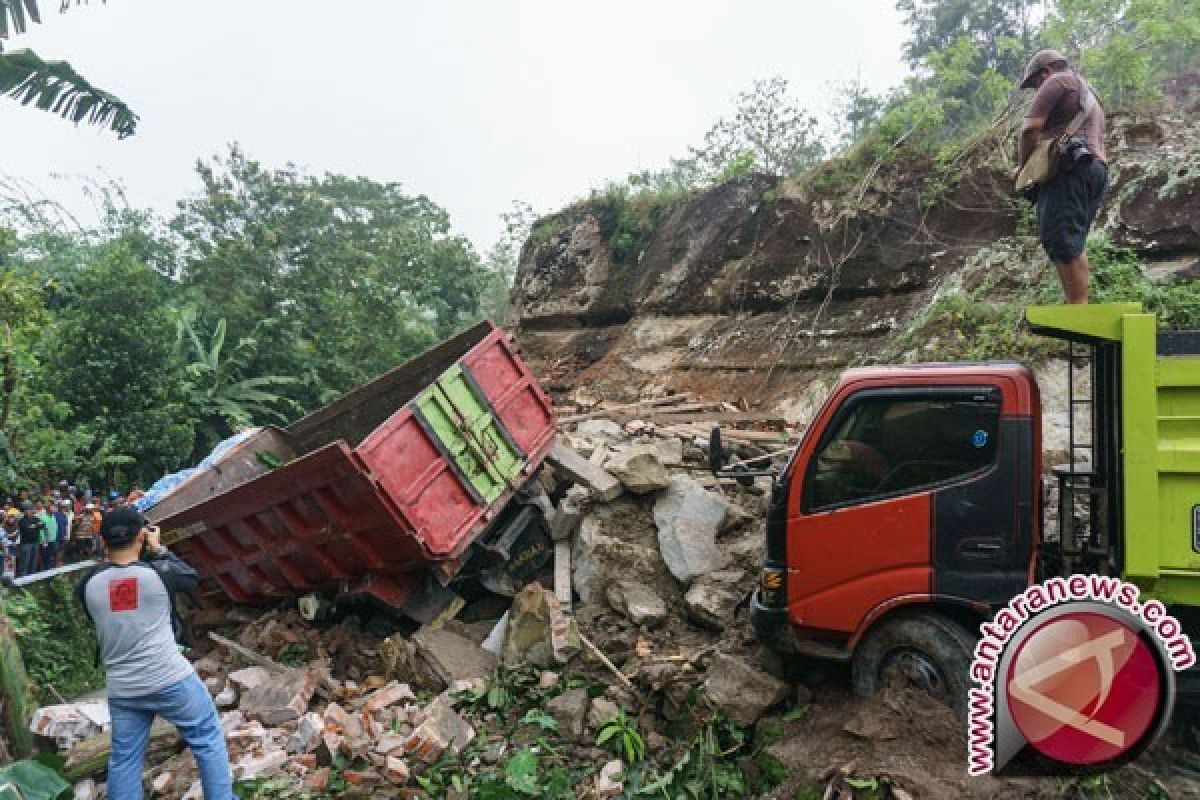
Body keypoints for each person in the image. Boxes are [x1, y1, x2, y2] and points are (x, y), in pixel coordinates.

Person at [78, 507, 234, 800]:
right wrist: (159, 548)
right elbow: (190, 578)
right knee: (207, 738)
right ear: (141, 534)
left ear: (102, 541)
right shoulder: (160, 573)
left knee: (124, 759)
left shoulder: (87, 586)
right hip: (170, 678)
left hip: (123, 688)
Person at [1016, 49, 1108, 305]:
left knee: (1060, 237)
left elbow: (1029, 129)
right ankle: (1077, 302)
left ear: (1045, 72)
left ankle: (1078, 305)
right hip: (1095, 169)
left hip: (1069, 169)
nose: (1037, 89)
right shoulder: (1090, 93)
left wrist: (1025, 168)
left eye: (1035, 83)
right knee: (1072, 239)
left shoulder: (1057, 81)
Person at [15, 503, 45, 577]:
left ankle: (31, 579)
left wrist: (33, 526)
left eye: (31, 509)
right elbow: (27, 530)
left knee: (33, 563)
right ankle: (22, 581)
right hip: (26, 544)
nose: (30, 511)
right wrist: (36, 526)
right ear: (25, 511)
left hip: (35, 543)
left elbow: (42, 525)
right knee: (24, 564)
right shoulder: (22, 520)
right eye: (28, 509)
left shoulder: (35, 518)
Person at [53, 500, 71, 566]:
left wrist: (66, 536)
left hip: (62, 536)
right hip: (56, 536)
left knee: (61, 550)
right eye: (62, 507)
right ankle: (56, 563)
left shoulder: (64, 515)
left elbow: (65, 526)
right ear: (59, 507)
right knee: (56, 550)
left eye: (64, 507)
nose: (63, 508)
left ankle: (59, 562)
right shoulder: (54, 515)